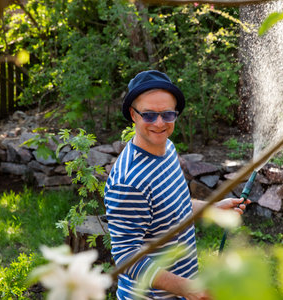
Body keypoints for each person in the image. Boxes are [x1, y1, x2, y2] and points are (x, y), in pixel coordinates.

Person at [104, 70, 250, 300]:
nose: (160, 123)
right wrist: (186, 288)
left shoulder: (168, 150)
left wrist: (213, 207)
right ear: (133, 115)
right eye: (149, 115)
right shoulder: (129, 181)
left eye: (168, 114)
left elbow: (173, 206)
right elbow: (127, 256)